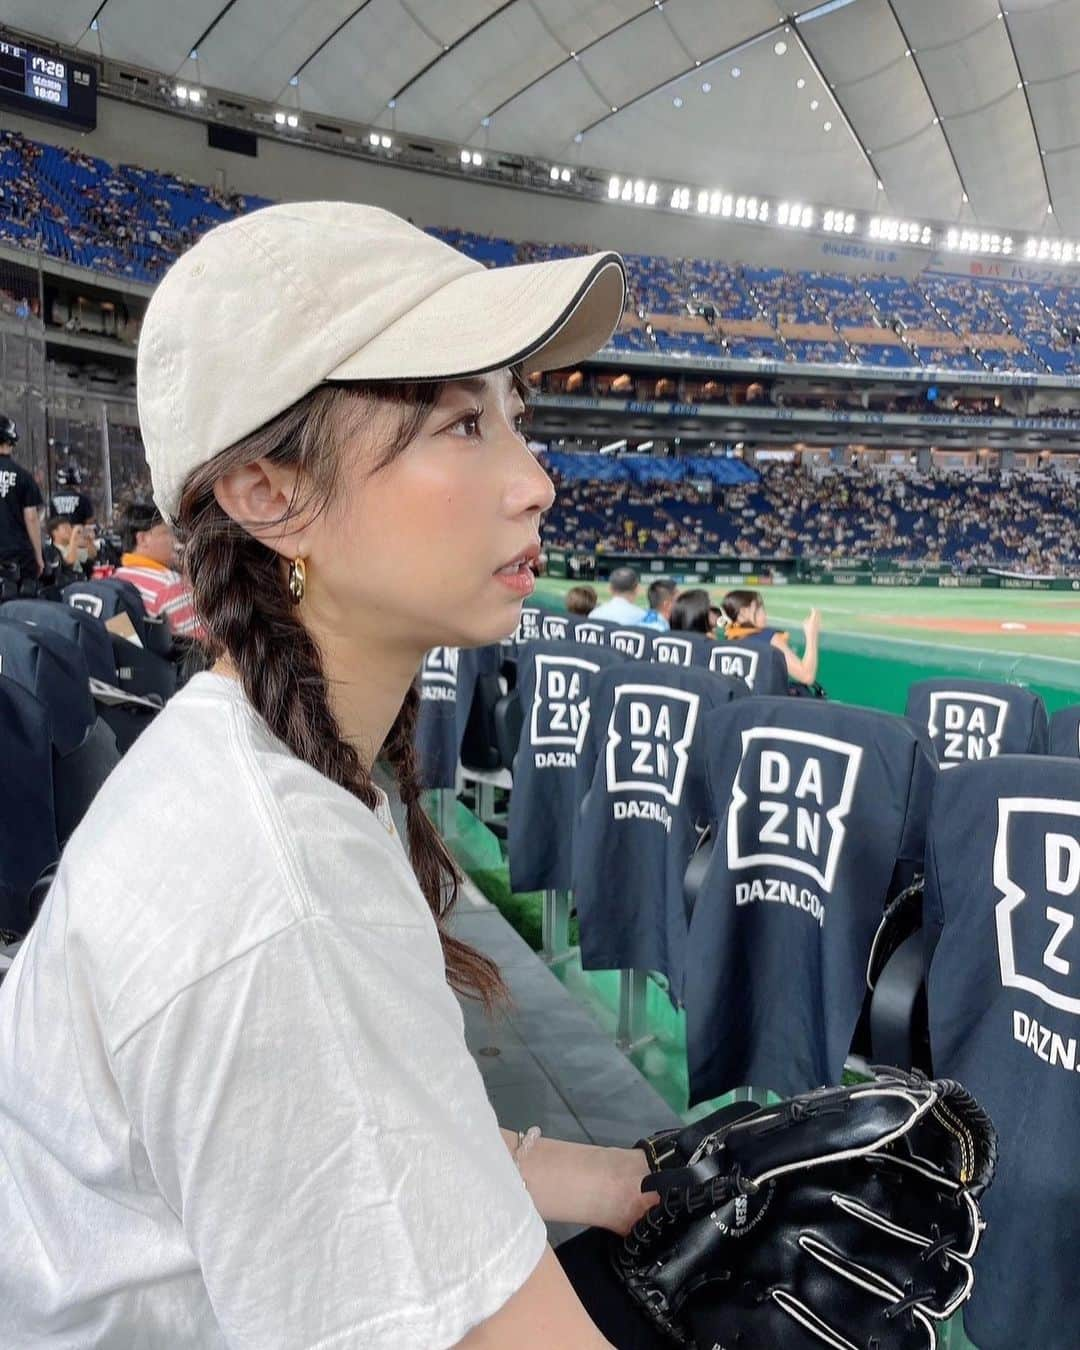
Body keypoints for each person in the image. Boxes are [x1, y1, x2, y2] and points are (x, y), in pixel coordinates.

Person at [0, 202, 658, 1348]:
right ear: (267, 493)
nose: (536, 480)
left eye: (517, 417)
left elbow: (368, 1125)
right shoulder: (272, 885)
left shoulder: (252, 764)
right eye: (461, 425)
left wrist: (632, 1178)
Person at [112, 498, 202, 638]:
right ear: (142, 539)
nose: (174, 540)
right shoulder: (168, 585)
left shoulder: (116, 576)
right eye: (166, 533)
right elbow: (206, 641)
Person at [721, 587, 821, 685]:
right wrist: (811, 635)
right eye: (759, 609)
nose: (765, 614)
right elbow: (807, 676)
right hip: (766, 700)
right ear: (743, 612)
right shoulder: (768, 638)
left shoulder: (727, 639)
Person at [0, 414, 44, 585]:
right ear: (10, 443)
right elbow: (32, 518)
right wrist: (38, 556)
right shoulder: (23, 476)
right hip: (18, 555)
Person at [42, 515, 90, 586]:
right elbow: (70, 562)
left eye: (70, 527)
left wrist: (89, 539)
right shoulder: (51, 550)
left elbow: (90, 556)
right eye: (65, 528)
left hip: (82, 579)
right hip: (67, 584)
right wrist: (73, 537)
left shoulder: (72, 545)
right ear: (54, 532)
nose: (69, 530)